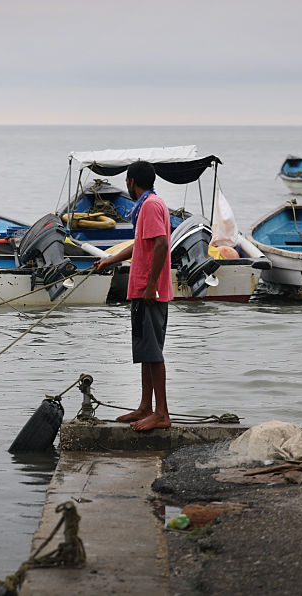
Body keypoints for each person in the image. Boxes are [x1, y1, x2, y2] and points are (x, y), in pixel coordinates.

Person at [92, 160, 174, 432]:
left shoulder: (150, 206)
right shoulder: (152, 203)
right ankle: (145, 407)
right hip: (143, 288)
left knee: (153, 353)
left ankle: (161, 413)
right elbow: (141, 245)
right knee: (145, 350)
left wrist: (151, 285)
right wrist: (110, 260)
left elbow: (162, 243)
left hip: (148, 290)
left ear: (130, 181)